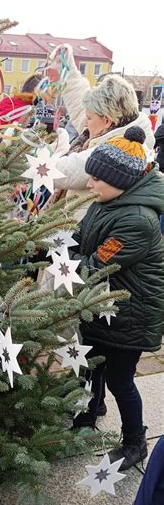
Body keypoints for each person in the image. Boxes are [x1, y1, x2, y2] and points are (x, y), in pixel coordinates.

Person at [70, 126, 164, 470]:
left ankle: (135, 441)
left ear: (120, 181)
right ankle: (90, 412)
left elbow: (95, 266)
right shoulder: (106, 202)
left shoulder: (138, 220)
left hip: (130, 314)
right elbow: (80, 239)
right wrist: (50, 242)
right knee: (91, 362)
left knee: (120, 380)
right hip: (104, 307)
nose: (89, 184)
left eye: (96, 179)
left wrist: (61, 260)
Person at [49, 44, 155, 218]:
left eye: (90, 119)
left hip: (83, 231)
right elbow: (79, 106)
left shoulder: (123, 149)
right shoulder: (114, 127)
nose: (85, 123)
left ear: (107, 119)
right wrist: (66, 70)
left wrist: (38, 156)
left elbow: (69, 171)